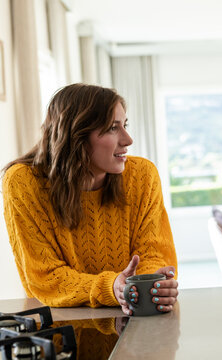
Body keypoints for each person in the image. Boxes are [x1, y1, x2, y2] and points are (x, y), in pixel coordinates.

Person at [2, 83, 178, 316]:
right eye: (113, 128)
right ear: (75, 135)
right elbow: (45, 278)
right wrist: (111, 287)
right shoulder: (24, 182)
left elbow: (153, 254)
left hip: (136, 317)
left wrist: (151, 286)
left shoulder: (143, 175)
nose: (127, 140)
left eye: (125, 125)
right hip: (64, 325)